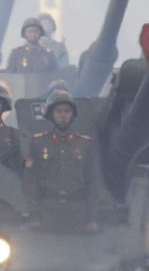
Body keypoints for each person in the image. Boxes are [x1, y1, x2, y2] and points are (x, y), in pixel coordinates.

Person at [24, 90, 102, 233]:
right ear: (51, 115)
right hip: (47, 209)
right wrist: (34, 214)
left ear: (72, 115)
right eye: (58, 111)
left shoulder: (85, 144)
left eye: (67, 111)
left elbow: (93, 182)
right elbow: (31, 182)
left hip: (77, 209)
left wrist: (91, 218)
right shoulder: (38, 143)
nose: (63, 115)